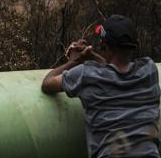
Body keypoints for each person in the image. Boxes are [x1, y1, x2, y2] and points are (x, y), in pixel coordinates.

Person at [41, 14, 160, 158]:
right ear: (133, 46)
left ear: (104, 46)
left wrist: (76, 60)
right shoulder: (149, 71)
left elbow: (47, 83)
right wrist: (94, 58)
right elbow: (116, 73)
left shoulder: (87, 75)